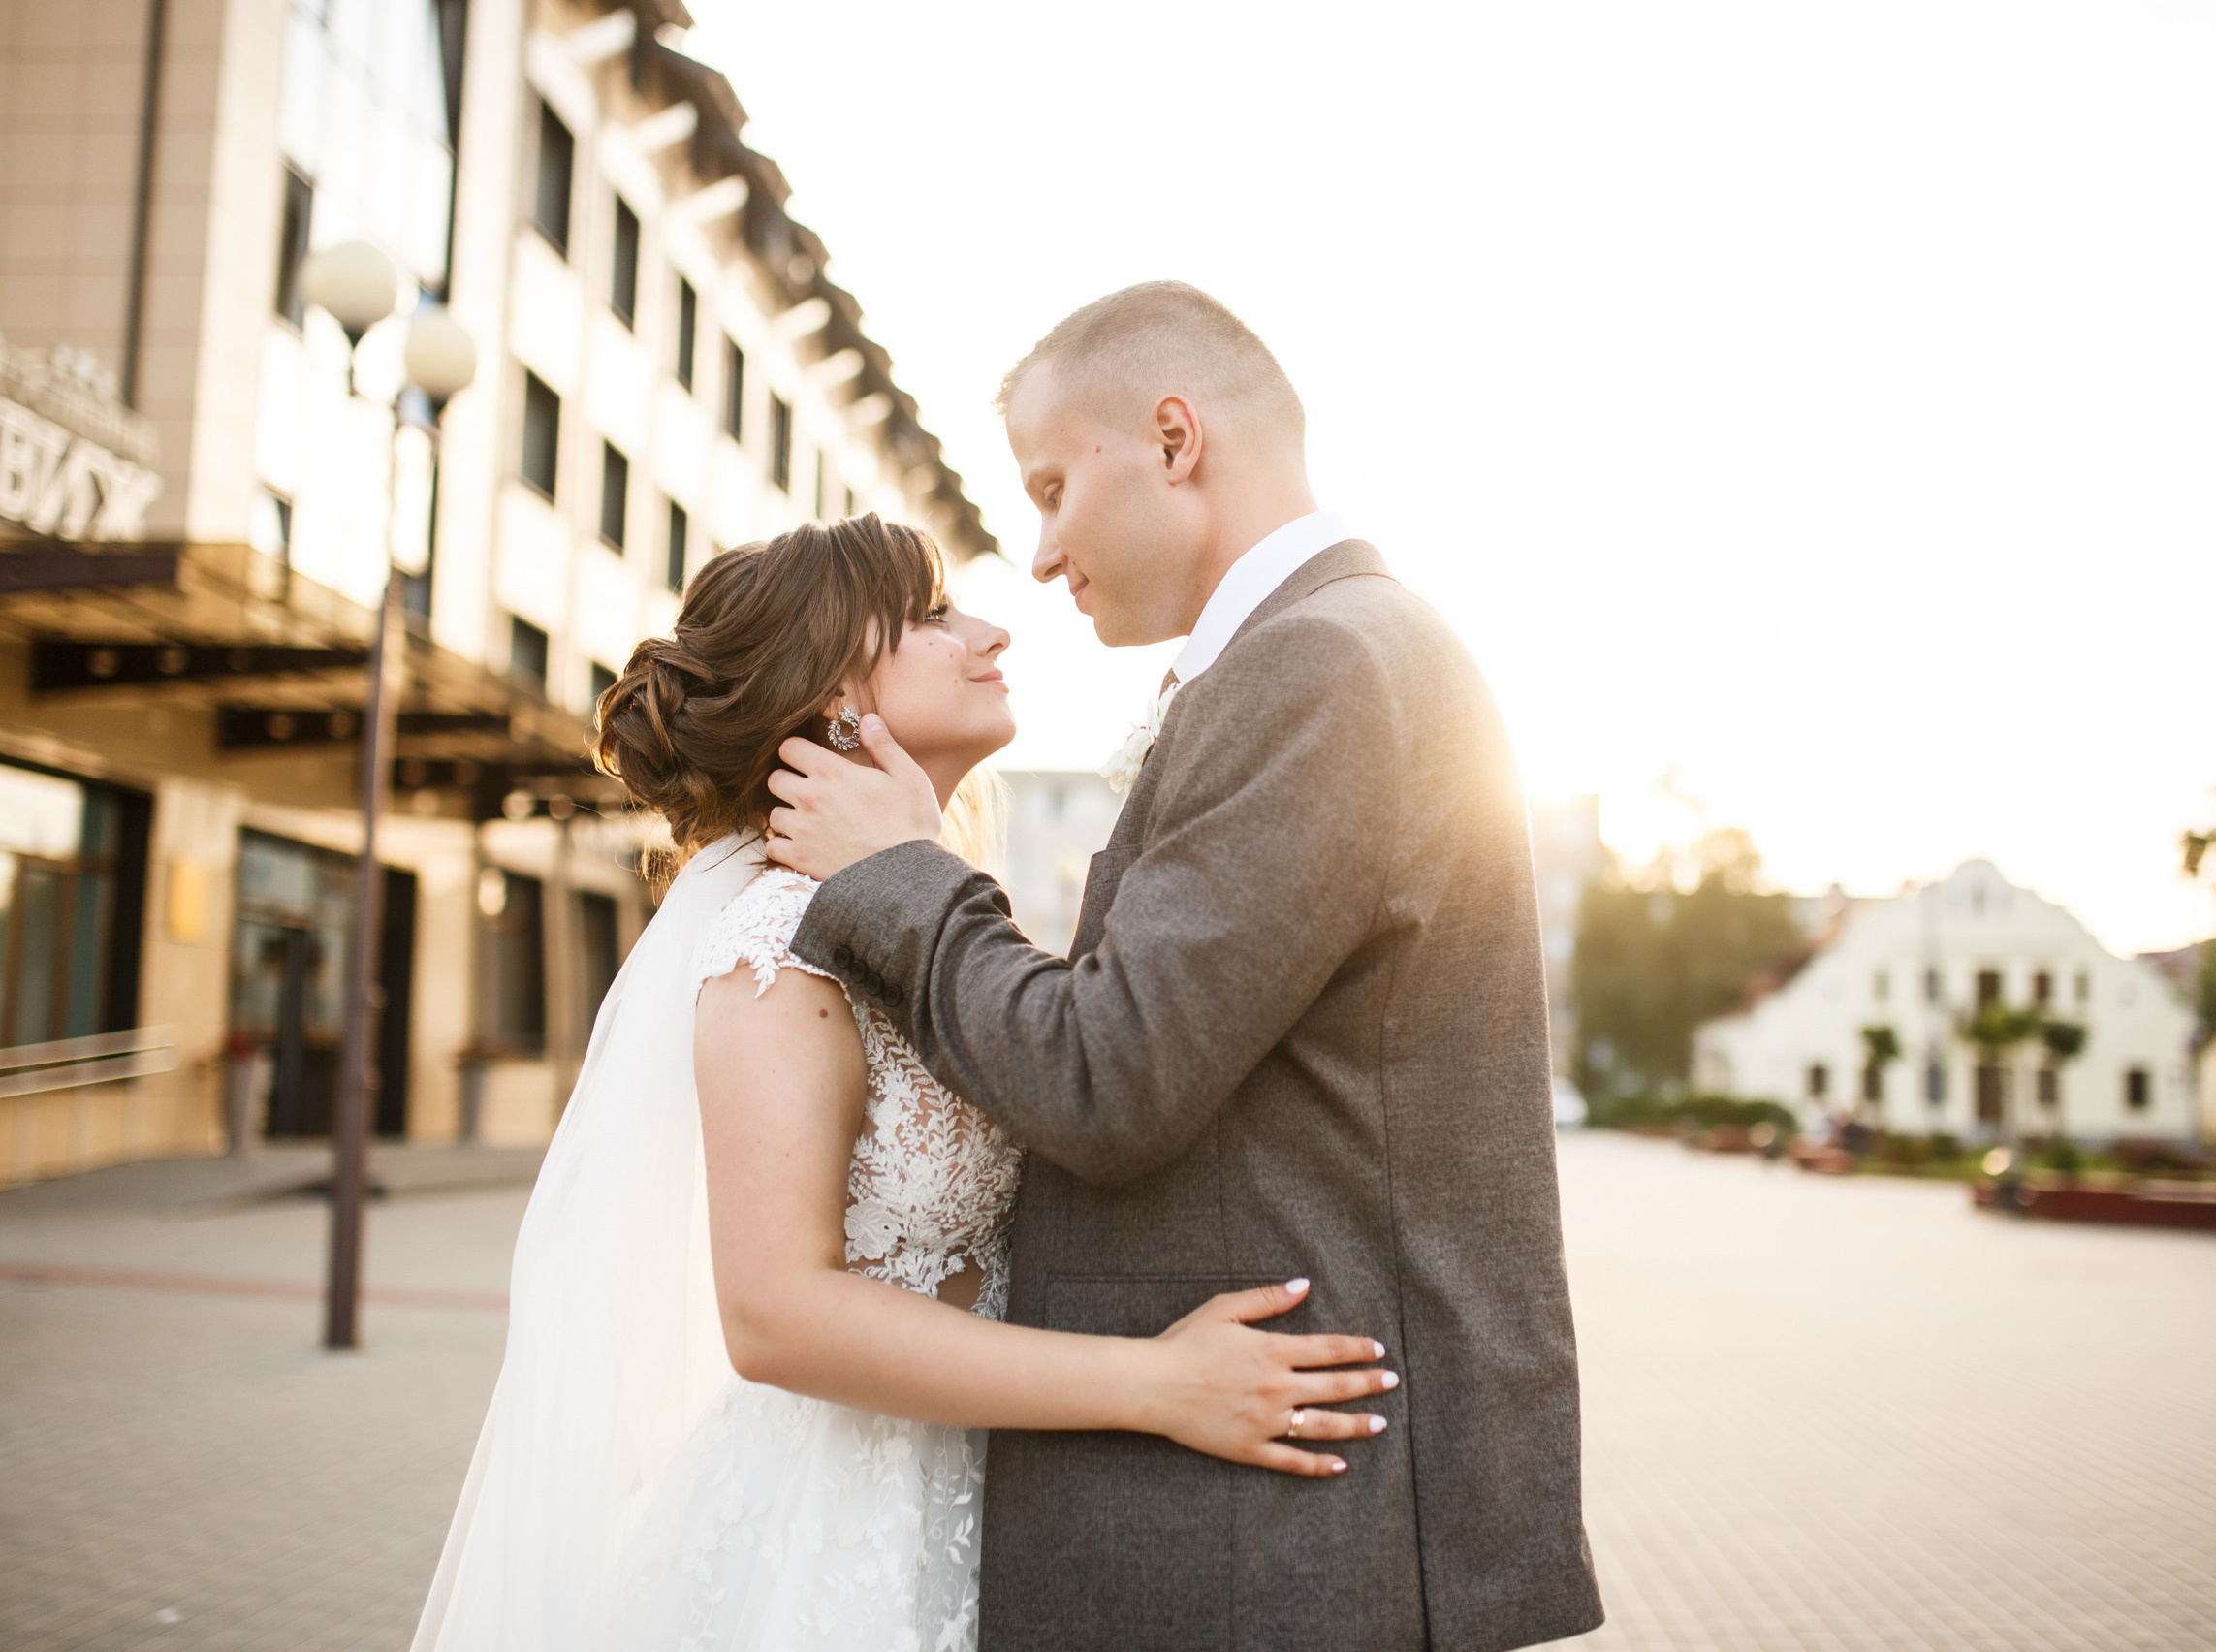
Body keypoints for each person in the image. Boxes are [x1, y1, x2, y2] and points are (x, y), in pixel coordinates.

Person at [764, 284, 1604, 1651]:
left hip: (1282, 1550)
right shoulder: (1334, 653)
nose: (1036, 556)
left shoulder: (1323, 665)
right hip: (1287, 1531)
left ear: (1171, 439)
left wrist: (902, 874)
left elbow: (1108, 1075)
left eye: (1048, 488)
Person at [413, 517, 1393, 1652]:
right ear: (836, 696)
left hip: (995, 1500)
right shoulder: (779, 947)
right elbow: (774, 1315)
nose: (989, 627)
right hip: (834, 1549)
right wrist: (1156, 1385)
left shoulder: (942, 918)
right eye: (932, 616)